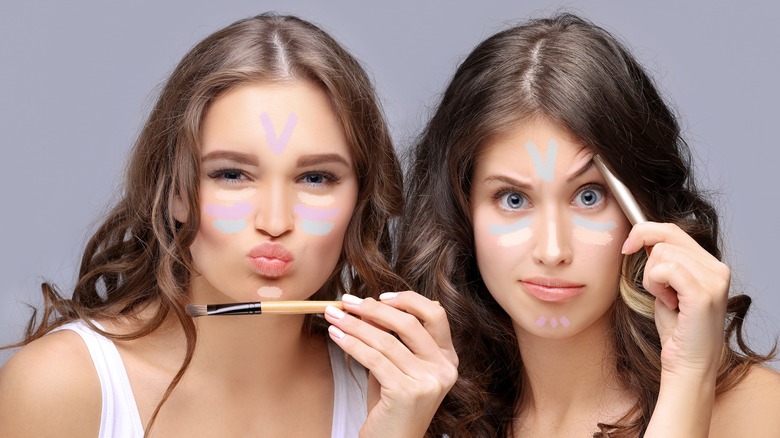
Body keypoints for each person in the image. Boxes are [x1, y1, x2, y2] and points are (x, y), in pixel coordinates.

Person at [0, 14, 457, 437]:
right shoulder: (62, 387)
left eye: (316, 178)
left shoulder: (391, 398)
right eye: (232, 175)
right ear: (175, 191)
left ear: (360, 198)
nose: (275, 222)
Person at [397, 13, 780, 437]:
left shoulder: (761, 414)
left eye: (589, 197)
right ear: (459, 213)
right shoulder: (427, 415)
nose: (553, 249)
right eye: (513, 199)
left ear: (644, 208)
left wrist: (689, 379)